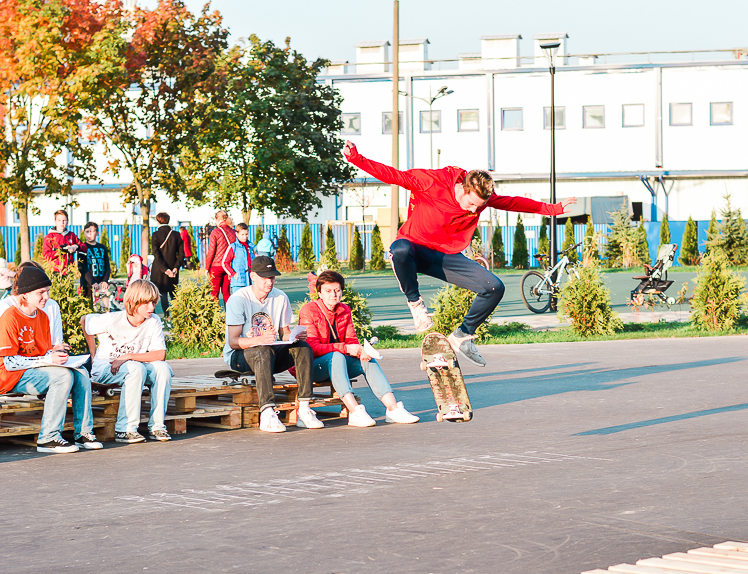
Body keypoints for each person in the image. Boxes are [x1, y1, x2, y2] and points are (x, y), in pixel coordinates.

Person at [342, 140, 576, 367]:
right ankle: (416, 304)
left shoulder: (481, 199)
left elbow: (513, 203)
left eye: (479, 206)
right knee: (399, 250)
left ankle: (463, 336)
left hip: (444, 256)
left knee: (494, 287)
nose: (474, 210)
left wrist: (552, 209)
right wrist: (355, 158)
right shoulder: (431, 182)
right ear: (462, 188)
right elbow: (392, 174)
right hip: (414, 247)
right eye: (471, 204)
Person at [0, 266, 99, 453]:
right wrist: (46, 360)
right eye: (41, 292)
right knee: (62, 377)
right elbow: (10, 362)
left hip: (32, 369)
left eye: (47, 291)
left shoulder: (42, 316)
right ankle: (48, 438)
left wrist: (56, 357)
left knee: (80, 372)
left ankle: (83, 433)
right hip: (8, 376)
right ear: (25, 294)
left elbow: (42, 351)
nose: (46, 297)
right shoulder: (10, 318)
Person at [299, 270, 419, 427]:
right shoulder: (309, 310)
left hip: (338, 363)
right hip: (313, 368)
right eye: (328, 291)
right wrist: (347, 348)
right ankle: (355, 412)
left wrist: (361, 350)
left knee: (367, 360)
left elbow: (351, 340)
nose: (333, 295)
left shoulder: (344, 310)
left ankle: (393, 408)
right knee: (337, 356)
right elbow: (311, 347)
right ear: (319, 293)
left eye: (337, 290)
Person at [222, 255, 324, 433]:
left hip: (270, 354)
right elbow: (233, 342)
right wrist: (258, 340)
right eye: (265, 277)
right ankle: (267, 412)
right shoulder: (239, 299)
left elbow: (284, 332)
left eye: (272, 277)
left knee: (303, 348)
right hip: (239, 357)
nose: (269, 281)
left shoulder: (280, 297)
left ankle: (305, 408)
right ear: (252, 276)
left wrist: (293, 335)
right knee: (262, 350)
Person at [82, 280, 174, 444]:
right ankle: (125, 429)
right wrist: (92, 352)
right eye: (146, 303)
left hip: (132, 365)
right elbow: (85, 320)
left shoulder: (153, 321)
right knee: (135, 368)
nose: (151, 308)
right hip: (106, 368)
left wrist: (127, 356)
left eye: (153, 302)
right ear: (133, 301)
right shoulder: (113, 319)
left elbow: (160, 354)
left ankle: (157, 426)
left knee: (163, 369)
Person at [0, 261, 64, 348]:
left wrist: (59, 352)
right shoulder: (6, 308)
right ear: (25, 292)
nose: (46, 297)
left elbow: (56, 343)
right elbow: (9, 354)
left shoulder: (51, 307)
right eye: (40, 292)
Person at [150, 212, 185, 315]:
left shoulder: (155, 235)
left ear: (158, 221)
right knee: (174, 293)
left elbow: (156, 254)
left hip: (159, 269)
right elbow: (181, 253)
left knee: (163, 293)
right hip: (173, 268)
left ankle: (167, 316)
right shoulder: (176, 235)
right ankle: (177, 315)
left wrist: (165, 269)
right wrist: (175, 268)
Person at [205, 210, 237, 305]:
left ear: (217, 219)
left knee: (214, 293)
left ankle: (216, 317)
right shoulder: (234, 232)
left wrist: (207, 268)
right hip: (228, 266)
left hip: (216, 266)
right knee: (226, 292)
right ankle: (229, 317)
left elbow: (211, 252)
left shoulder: (215, 232)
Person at [80, 221, 112, 305]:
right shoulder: (82, 248)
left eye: (92, 231)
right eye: (87, 232)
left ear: (97, 232)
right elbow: (82, 268)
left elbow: (107, 266)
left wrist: (105, 280)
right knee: (89, 308)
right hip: (87, 285)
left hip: (101, 285)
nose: (89, 234)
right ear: (84, 233)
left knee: (103, 308)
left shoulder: (102, 247)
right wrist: (92, 282)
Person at [222, 222, 254, 294]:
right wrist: (233, 274)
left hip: (251, 281)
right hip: (238, 282)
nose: (245, 237)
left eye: (246, 234)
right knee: (238, 303)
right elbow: (224, 263)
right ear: (237, 234)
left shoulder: (251, 247)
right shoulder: (233, 247)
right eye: (242, 234)